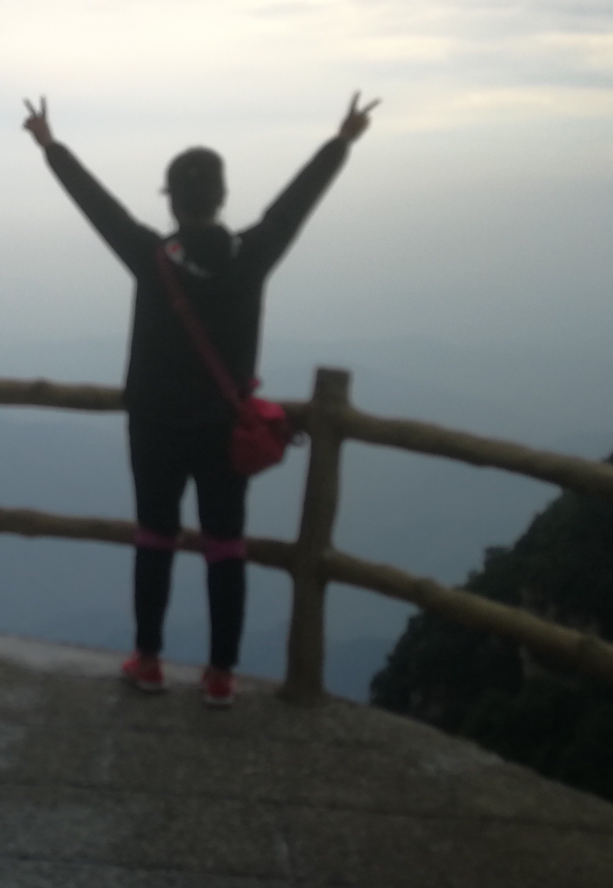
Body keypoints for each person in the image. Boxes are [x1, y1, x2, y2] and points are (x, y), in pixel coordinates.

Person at [22, 92, 379, 706]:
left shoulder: (150, 255)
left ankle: (149, 661)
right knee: (225, 544)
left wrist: (51, 147)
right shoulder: (253, 255)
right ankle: (220, 675)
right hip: (225, 426)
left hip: (154, 424)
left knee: (155, 537)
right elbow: (296, 202)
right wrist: (342, 140)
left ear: (172, 200)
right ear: (221, 196)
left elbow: (98, 207)